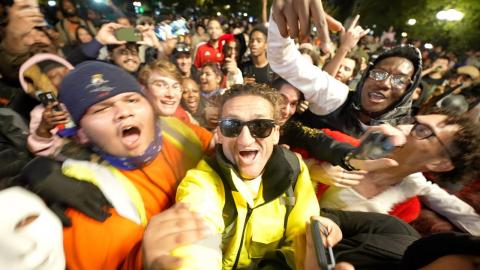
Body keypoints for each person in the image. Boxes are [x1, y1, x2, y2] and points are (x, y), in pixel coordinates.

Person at [173, 84, 420, 270]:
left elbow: (300, 239)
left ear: (277, 133)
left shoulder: (295, 170)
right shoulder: (201, 183)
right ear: (219, 134)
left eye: (260, 127)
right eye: (232, 127)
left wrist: (314, 252)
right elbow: (196, 249)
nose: (245, 139)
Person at [55, 61, 213, 269]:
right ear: (82, 134)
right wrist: (144, 262)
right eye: (101, 109)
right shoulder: (87, 204)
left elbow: (218, 149)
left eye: (131, 99)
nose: (123, 112)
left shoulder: (177, 129)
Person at [268, 3, 422, 138]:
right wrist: (284, 16)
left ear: (408, 91)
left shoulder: (404, 137)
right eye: (379, 73)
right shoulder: (336, 96)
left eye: (399, 80)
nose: (385, 83)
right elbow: (284, 61)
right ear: (366, 76)